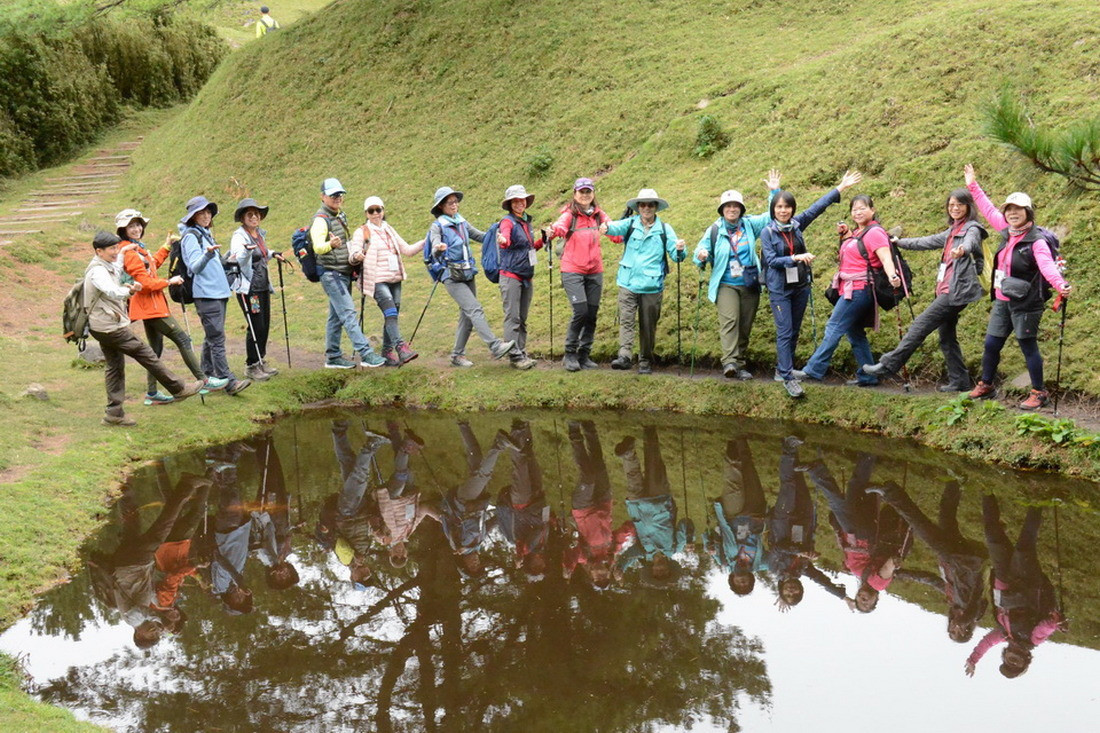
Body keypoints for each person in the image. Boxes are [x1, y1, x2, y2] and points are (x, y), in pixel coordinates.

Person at [963, 164, 1071, 409]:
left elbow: (1047, 266)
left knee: (1027, 346)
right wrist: (972, 184)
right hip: (1003, 298)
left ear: (1028, 213)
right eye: (1009, 210)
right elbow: (987, 207)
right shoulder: (1007, 231)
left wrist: (1060, 284)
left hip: (1027, 302)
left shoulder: (1037, 241)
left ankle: (1039, 392)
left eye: (1018, 210)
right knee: (992, 343)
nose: (1012, 213)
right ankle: (986, 384)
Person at [861, 188, 989, 392]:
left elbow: (971, 242)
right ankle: (960, 381)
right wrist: (898, 242)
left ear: (968, 207)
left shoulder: (971, 228)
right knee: (946, 337)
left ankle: (889, 365)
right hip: (947, 289)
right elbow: (926, 241)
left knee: (920, 324)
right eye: (951, 205)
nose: (955, 208)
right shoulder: (952, 231)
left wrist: (962, 250)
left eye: (959, 205)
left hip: (955, 292)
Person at [83, 231, 204, 426]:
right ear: (99, 251)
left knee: (114, 367)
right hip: (110, 327)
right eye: (112, 249)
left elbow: (116, 266)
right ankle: (178, 388)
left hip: (103, 325)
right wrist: (129, 290)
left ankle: (114, 414)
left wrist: (123, 253)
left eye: (116, 247)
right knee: (145, 353)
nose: (116, 251)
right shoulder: (97, 271)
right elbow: (111, 290)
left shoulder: (105, 264)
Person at [760, 171, 862, 398]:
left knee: (794, 329)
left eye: (787, 207)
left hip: (799, 286)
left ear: (793, 209)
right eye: (779, 207)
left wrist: (840, 188)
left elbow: (817, 207)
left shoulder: (796, 225)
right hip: (779, 289)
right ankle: (788, 377)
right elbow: (772, 260)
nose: (783, 211)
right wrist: (795, 258)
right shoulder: (767, 232)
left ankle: (781, 369)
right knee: (785, 331)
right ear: (773, 210)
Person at [87, 473, 208, 648]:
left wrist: (160, 618)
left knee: (165, 525)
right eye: (156, 636)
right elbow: (151, 593)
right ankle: (125, 486)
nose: (155, 632)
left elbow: (140, 610)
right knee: (131, 523)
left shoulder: (133, 619)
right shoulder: (145, 615)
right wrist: (164, 608)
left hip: (135, 563)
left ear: (138, 634)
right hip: (128, 563)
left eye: (149, 636)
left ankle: (186, 486)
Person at [794, 195, 902, 386]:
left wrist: (893, 276)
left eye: (862, 208)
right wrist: (845, 235)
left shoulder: (875, 232)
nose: (858, 212)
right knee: (855, 333)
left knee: (833, 327)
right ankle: (868, 376)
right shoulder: (859, 232)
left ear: (872, 210)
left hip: (859, 290)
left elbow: (885, 258)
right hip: (850, 289)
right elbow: (855, 255)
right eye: (854, 209)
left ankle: (813, 370)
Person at [867, 480, 988, 642]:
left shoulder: (953, 602)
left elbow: (930, 580)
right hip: (962, 560)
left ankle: (955, 481)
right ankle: (889, 491)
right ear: (967, 630)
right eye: (958, 632)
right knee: (919, 525)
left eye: (951, 632)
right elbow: (974, 609)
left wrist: (901, 574)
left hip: (954, 557)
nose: (954, 628)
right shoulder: (974, 611)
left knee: (946, 516)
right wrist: (964, 620)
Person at [965, 495, 1066, 678]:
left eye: (1007, 663)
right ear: (1026, 659)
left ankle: (987, 492)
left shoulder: (1004, 634)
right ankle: (1038, 500)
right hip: (1028, 583)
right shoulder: (1032, 640)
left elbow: (986, 643)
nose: (1011, 662)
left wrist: (973, 659)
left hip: (1003, 580)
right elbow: (1046, 627)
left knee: (992, 537)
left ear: (1004, 656)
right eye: (1016, 665)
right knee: (1023, 548)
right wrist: (1056, 623)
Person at [694, 171, 782, 379]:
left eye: (735, 206)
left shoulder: (750, 225)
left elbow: (772, 215)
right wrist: (701, 256)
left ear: (741, 209)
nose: (732, 209)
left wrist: (774, 192)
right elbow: (699, 253)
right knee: (730, 321)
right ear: (722, 210)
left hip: (750, 283)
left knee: (745, 324)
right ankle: (729, 362)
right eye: (728, 206)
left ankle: (740, 364)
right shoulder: (714, 230)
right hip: (726, 284)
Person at [116, 208, 207, 406]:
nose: (137, 228)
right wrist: (169, 281)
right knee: (182, 339)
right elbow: (146, 283)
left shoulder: (137, 248)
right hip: (151, 306)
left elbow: (152, 265)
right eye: (131, 225)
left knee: (154, 352)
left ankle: (152, 393)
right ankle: (205, 380)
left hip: (151, 306)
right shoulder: (130, 252)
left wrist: (166, 247)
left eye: (139, 224)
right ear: (123, 229)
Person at [804, 453, 912, 612]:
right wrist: (892, 563)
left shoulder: (861, 577)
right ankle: (817, 471)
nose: (863, 599)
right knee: (838, 506)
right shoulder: (877, 584)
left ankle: (868, 456)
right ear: (876, 600)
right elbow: (886, 570)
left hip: (855, 535)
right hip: (861, 536)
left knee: (854, 491)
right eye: (867, 603)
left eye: (860, 601)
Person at [424, 186, 517, 367]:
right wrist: (439, 247)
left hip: (467, 273)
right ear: (441, 206)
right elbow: (435, 244)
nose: (454, 205)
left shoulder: (461, 223)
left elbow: (481, 237)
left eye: (455, 201)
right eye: (450, 202)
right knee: (474, 309)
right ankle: (495, 346)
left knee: (467, 315)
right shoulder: (437, 227)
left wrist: (497, 232)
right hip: (450, 275)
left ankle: (457, 356)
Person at [605, 189, 687, 374]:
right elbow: (615, 227)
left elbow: (677, 255)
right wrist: (606, 227)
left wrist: (680, 249)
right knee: (626, 320)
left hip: (652, 285)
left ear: (656, 207)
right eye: (643, 204)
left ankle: (645, 360)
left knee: (648, 325)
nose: (646, 208)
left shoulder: (665, 229)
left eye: (650, 204)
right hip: (627, 282)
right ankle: (624, 356)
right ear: (638, 207)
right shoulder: (630, 223)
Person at [180, 195, 252, 396]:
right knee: (217, 338)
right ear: (193, 216)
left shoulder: (205, 234)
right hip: (206, 294)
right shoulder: (191, 237)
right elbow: (194, 266)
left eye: (208, 212)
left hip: (218, 293)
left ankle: (207, 375)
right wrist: (208, 254)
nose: (206, 215)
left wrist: (230, 257)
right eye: (201, 212)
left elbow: (215, 263)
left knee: (212, 336)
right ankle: (228, 382)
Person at [311, 178, 386, 369]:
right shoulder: (320, 220)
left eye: (339, 194)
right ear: (322, 196)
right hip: (331, 274)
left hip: (342, 273)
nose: (337, 198)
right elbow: (317, 247)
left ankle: (333, 356)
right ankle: (366, 353)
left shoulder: (339, 215)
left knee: (336, 316)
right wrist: (331, 245)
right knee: (348, 313)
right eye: (333, 195)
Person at [766, 437, 848, 610]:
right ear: (800, 590)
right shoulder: (803, 568)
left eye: (787, 594)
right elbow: (822, 580)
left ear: (781, 590)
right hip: (804, 518)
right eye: (795, 594)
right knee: (799, 481)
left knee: (788, 485)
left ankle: (788, 447)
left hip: (783, 518)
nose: (791, 591)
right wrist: (843, 597)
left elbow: (777, 548)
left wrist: (800, 551)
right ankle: (793, 450)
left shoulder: (775, 568)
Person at [545, 177, 615, 372]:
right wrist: (554, 231)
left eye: (588, 192)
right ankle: (569, 354)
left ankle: (584, 354)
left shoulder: (599, 215)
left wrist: (616, 229)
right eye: (581, 192)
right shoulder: (569, 215)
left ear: (593, 194)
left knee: (591, 314)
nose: (585, 195)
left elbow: (616, 234)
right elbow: (560, 227)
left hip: (595, 270)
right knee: (581, 311)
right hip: (572, 269)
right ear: (575, 194)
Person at [348, 196, 424, 367]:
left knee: (392, 315)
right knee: (390, 312)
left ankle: (387, 353)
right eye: (371, 210)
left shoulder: (389, 229)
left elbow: (407, 250)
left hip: (394, 278)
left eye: (378, 210)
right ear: (366, 213)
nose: (375, 214)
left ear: (383, 210)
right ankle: (401, 348)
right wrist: (356, 256)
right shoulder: (362, 232)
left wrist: (426, 242)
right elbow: (353, 254)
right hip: (376, 280)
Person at [614, 428, 693, 586]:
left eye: (657, 573)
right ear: (669, 568)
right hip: (660, 501)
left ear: (652, 570)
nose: (660, 570)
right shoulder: (676, 547)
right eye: (664, 572)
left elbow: (627, 557)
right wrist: (690, 538)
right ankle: (649, 428)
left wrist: (620, 569)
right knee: (654, 463)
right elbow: (685, 523)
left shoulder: (644, 552)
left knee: (632, 476)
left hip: (637, 507)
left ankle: (628, 452)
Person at [563, 420, 632, 590]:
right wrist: (641, 530)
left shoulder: (584, 557)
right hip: (603, 503)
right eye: (604, 577)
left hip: (583, 509)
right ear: (608, 573)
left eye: (597, 578)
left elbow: (571, 554)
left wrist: (568, 569)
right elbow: (624, 530)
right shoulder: (612, 551)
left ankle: (574, 432)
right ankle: (589, 428)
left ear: (591, 575)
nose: (601, 575)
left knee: (588, 475)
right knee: (599, 465)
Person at [437, 420, 512, 576]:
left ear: (463, 563)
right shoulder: (477, 543)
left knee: (484, 474)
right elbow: (493, 522)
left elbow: (459, 523)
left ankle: (498, 444)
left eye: (473, 566)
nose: (476, 562)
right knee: (476, 458)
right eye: (478, 564)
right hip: (477, 501)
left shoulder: (460, 544)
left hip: (464, 502)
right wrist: (510, 517)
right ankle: (463, 424)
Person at [229, 198, 285, 382]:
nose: (254, 217)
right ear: (243, 218)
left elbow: (261, 253)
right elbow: (237, 257)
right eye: (250, 214)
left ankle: (261, 361)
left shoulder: (258, 234)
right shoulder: (239, 237)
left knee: (265, 324)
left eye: (256, 214)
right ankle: (251, 365)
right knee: (256, 325)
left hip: (262, 287)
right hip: (249, 290)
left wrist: (273, 253)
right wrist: (246, 251)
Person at [705, 436, 769, 596]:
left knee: (733, 482)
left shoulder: (724, 561)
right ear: (751, 579)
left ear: (732, 579)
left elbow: (709, 540)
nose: (742, 582)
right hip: (756, 515)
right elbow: (781, 566)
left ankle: (731, 443)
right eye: (745, 584)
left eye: (738, 584)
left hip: (732, 516)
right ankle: (741, 439)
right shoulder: (760, 563)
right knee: (750, 475)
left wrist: (709, 546)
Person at [494, 185, 545, 370]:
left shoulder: (525, 222)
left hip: (526, 276)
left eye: (522, 199)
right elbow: (505, 239)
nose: (520, 203)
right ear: (510, 204)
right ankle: (514, 356)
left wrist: (544, 240)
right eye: (515, 200)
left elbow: (529, 248)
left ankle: (521, 352)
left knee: (522, 318)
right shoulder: (507, 222)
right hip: (511, 276)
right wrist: (503, 240)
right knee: (512, 317)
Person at [495, 420, 549, 580]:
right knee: (530, 460)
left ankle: (516, 431)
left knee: (520, 466)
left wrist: (520, 557)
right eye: (542, 567)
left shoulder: (526, 548)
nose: (540, 563)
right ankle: (524, 428)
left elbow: (538, 529)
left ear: (529, 563)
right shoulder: (542, 546)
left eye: (536, 567)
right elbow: (545, 522)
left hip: (522, 503)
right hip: (537, 500)